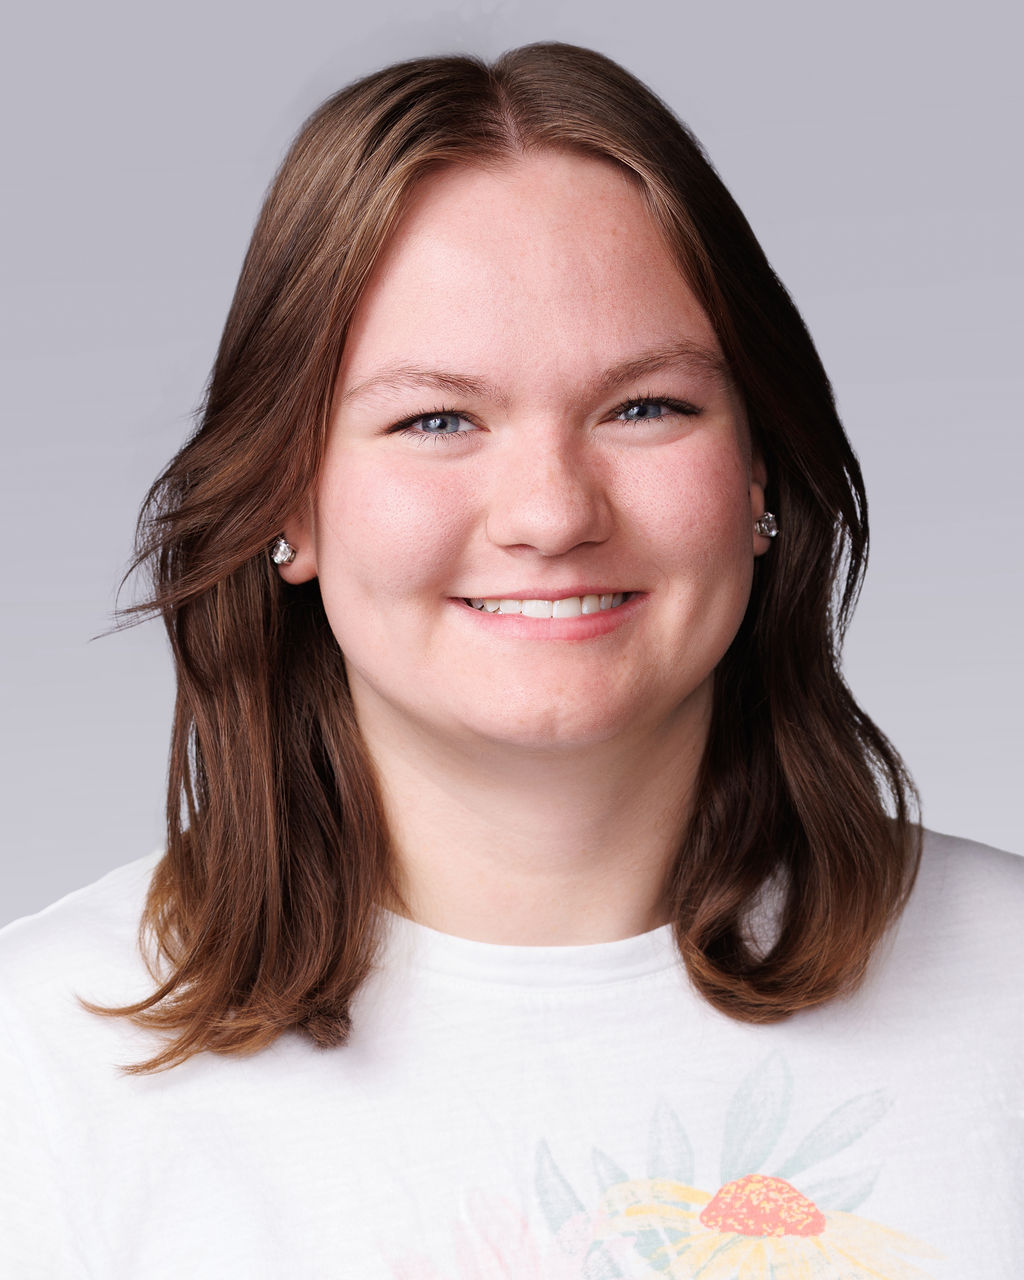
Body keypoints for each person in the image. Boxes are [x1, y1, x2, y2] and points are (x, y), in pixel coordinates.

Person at [1, 41, 1020, 1280]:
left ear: (759, 472)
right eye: (436, 418)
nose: (549, 512)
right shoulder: (39, 1069)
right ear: (290, 501)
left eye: (645, 406)